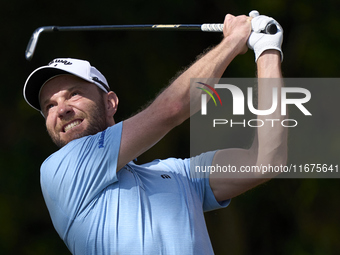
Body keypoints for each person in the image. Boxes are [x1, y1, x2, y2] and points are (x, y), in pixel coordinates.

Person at [23, 11, 287, 255]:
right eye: (49, 106)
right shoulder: (60, 168)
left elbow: (266, 161)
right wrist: (235, 40)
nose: (61, 110)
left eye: (74, 94)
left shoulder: (179, 174)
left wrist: (267, 50)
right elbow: (171, 109)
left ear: (109, 103)